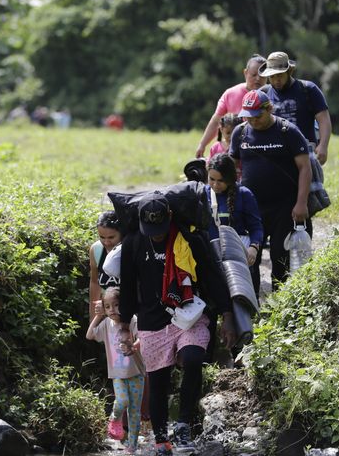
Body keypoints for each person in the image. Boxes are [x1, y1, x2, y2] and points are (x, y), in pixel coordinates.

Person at [118, 194, 237, 456]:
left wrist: (228, 315)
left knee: (193, 358)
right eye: (151, 231)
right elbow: (127, 287)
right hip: (151, 320)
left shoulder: (190, 240)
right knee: (158, 382)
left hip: (188, 314)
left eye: (160, 230)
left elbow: (212, 276)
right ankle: (161, 438)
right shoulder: (133, 243)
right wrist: (125, 326)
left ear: (169, 218)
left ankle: (183, 424)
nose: (157, 236)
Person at [230, 89, 311, 291]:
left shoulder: (288, 131)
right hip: (251, 208)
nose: (253, 121)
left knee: (279, 256)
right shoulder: (239, 133)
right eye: (249, 117)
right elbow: (230, 169)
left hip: (284, 207)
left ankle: (280, 305)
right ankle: (252, 306)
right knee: (249, 257)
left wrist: (301, 203)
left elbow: (305, 168)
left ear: (269, 108)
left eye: (257, 116)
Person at [86, 287, 145, 454]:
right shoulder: (105, 324)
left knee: (134, 411)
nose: (113, 310)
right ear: (104, 309)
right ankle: (114, 419)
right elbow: (90, 335)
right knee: (122, 401)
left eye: (117, 305)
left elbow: (142, 336)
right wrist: (98, 316)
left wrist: (134, 345)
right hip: (117, 375)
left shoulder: (132, 320)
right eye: (108, 306)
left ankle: (132, 445)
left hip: (136, 373)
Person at [258, 51, 332, 165]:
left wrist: (323, 146)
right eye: (272, 76)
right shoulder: (263, 94)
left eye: (280, 75)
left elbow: (324, 120)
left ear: (289, 72)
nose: (276, 80)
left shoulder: (308, 89)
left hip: (306, 153)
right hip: (274, 155)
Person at [205, 153, 263, 293]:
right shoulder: (203, 193)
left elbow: (256, 227)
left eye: (220, 181)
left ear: (230, 179)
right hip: (213, 257)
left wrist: (253, 248)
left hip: (239, 255)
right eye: (211, 179)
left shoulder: (244, 194)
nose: (215, 185)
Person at [195, 54, 267, 158]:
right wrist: (202, 144)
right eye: (253, 75)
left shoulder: (271, 96)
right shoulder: (230, 94)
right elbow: (216, 122)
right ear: (245, 73)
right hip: (232, 153)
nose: (258, 79)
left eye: (262, 75)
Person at [89, 211, 123, 322]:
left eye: (111, 237)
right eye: (102, 237)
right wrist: (93, 316)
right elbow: (94, 282)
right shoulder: (96, 250)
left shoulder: (131, 249)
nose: (107, 242)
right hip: (109, 317)